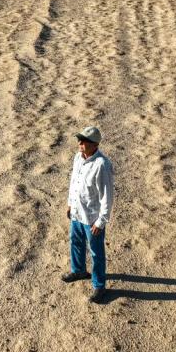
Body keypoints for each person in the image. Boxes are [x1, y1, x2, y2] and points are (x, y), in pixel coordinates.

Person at [62, 126, 115, 303]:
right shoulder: (78, 157)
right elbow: (73, 182)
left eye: (84, 141)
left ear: (94, 145)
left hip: (92, 218)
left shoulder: (102, 165)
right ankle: (78, 270)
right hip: (77, 213)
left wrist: (101, 222)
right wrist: (70, 203)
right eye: (79, 140)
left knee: (96, 252)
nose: (80, 143)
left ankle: (99, 286)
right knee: (75, 242)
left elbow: (107, 196)